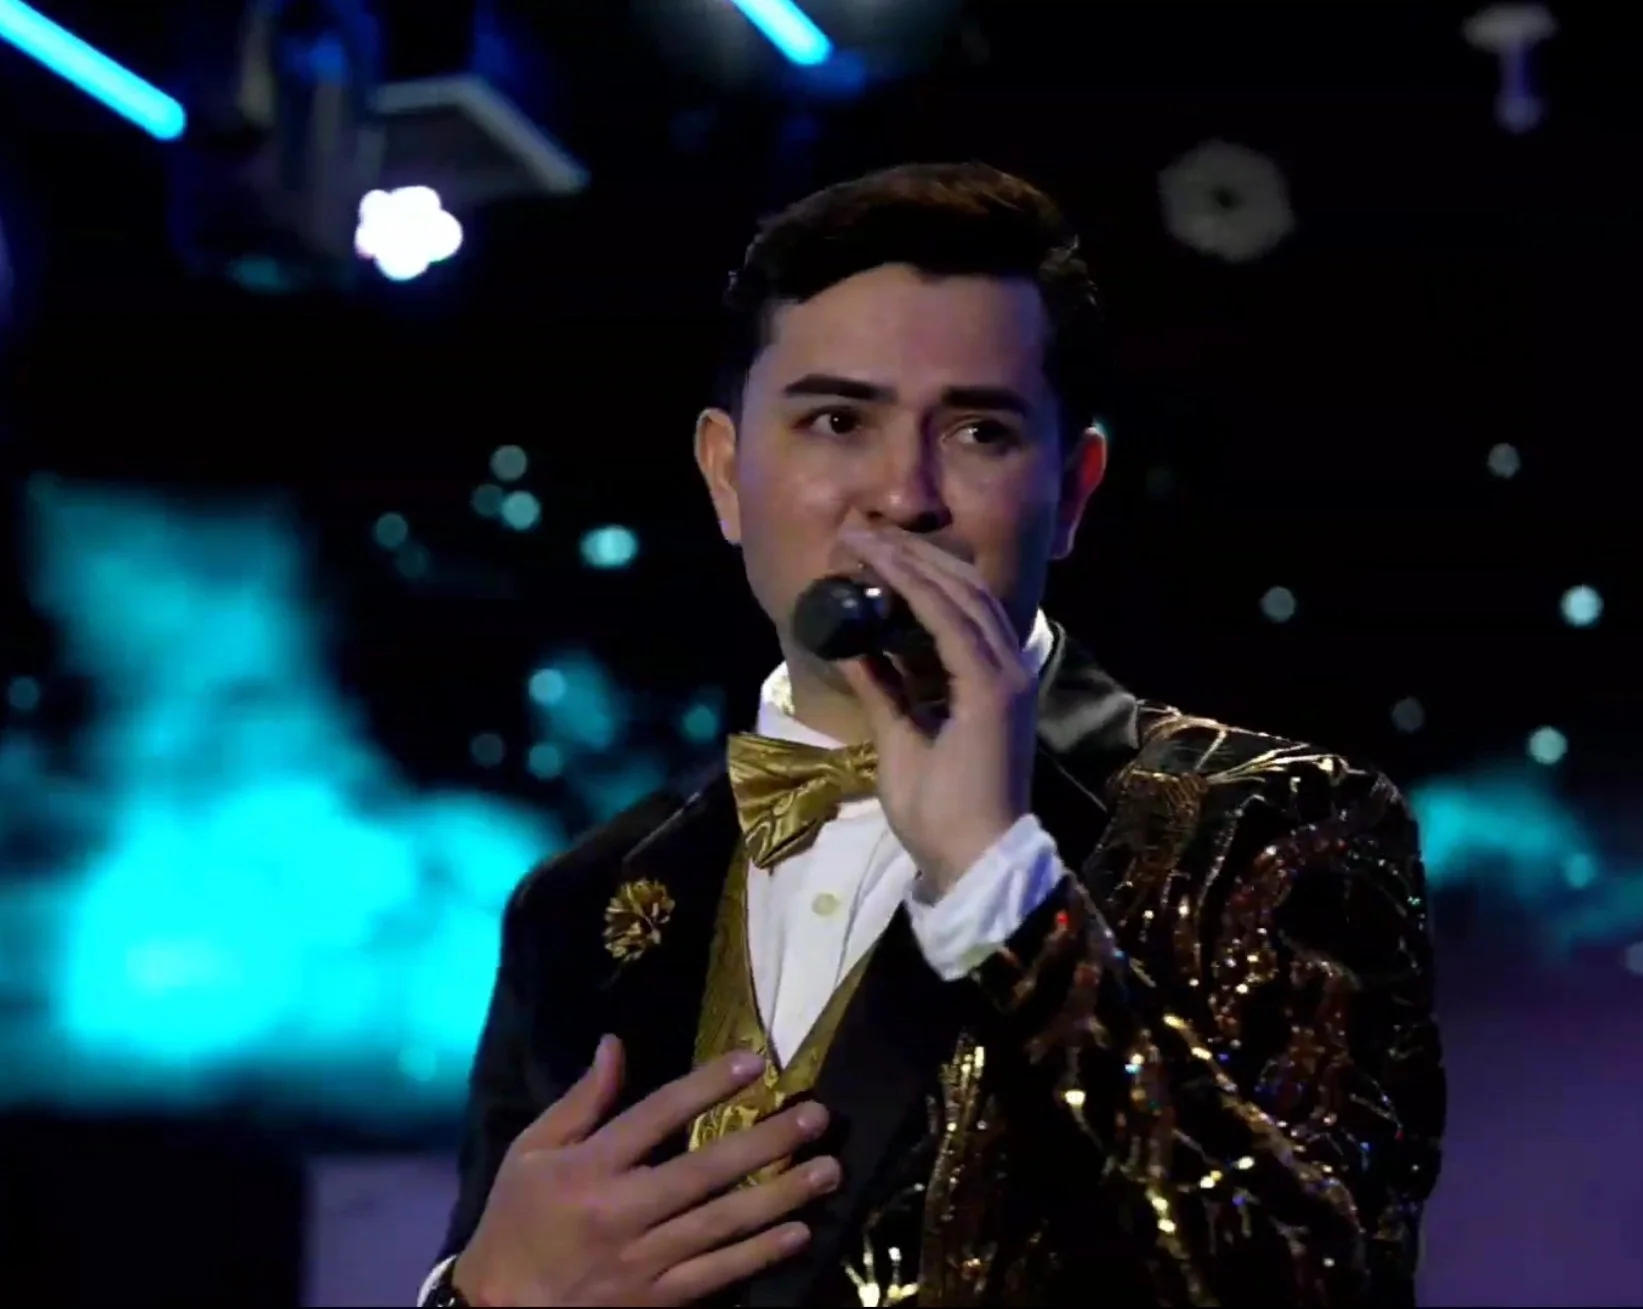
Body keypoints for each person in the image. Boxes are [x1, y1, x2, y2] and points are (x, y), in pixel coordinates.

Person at [419, 161, 1446, 1307]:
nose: (903, 495)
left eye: (976, 430)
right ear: (725, 474)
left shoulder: (1272, 823)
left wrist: (997, 887)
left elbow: (1322, 1285)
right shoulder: (575, 904)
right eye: (836, 421)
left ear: (1072, 491)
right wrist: (479, 1296)